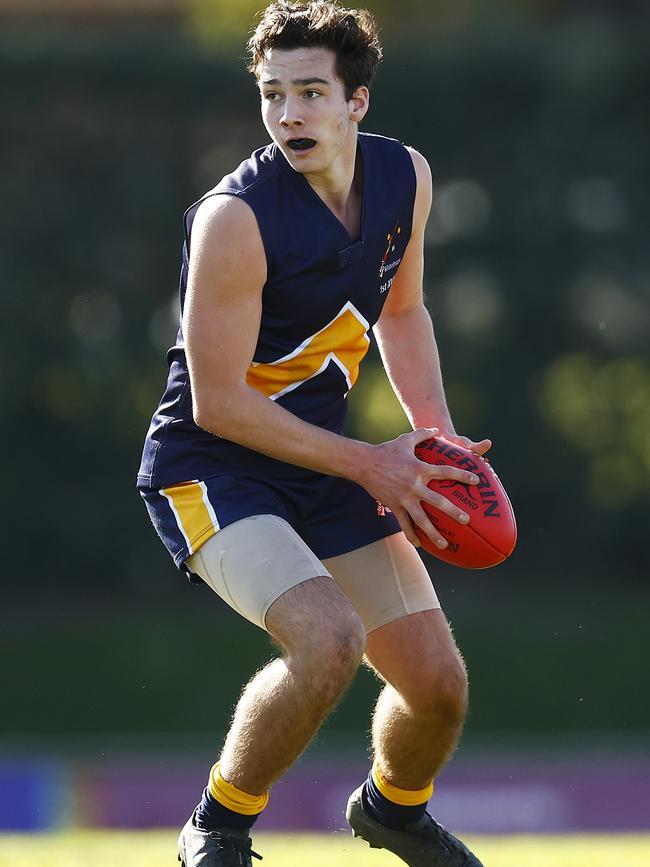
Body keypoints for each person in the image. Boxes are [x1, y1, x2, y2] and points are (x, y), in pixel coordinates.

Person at [137, 2, 492, 865]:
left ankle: (394, 811)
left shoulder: (405, 176)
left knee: (439, 687)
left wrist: (434, 444)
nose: (288, 114)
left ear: (356, 102)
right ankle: (218, 823)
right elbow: (217, 405)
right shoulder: (234, 219)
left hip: (328, 461)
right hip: (213, 469)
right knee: (327, 638)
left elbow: (401, 311)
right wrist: (376, 465)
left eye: (309, 92)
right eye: (271, 94)